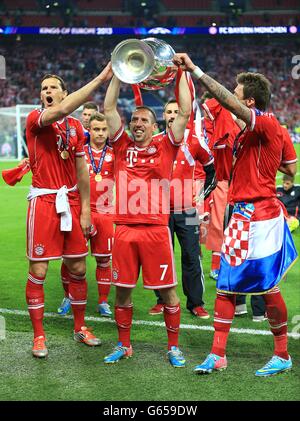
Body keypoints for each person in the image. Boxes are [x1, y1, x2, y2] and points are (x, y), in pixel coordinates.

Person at [173, 53, 298, 376]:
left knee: (268, 288)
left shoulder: (267, 123)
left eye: (236, 92)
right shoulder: (243, 136)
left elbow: (227, 101)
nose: (229, 95)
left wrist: (198, 71)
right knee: (227, 286)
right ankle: (218, 354)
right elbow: (285, 165)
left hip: (262, 217)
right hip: (241, 216)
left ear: (249, 101)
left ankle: (282, 354)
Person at [102, 69, 192, 367]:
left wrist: (181, 72)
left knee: (168, 292)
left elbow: (186, 111)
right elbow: (109, 108)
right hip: (125, 230)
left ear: (155, 126)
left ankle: (173, 348)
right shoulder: (121, 145)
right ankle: (124, 345)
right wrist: (117, 71)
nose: (138, 123)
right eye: (135, 120)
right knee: (122, 292)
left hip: (155, 230)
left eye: (144, 120)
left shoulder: (167, 145)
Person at [25, 64, 113, 358]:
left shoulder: (76, 128)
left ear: (64, 92)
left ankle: (80, 327)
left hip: (72, 202)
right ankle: (39, 336)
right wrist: (101, 78)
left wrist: (86, 210)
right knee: (38, 270)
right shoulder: (36, 118)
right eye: (44, 88)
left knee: (77, 268)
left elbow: (82, 170)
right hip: (44, 201)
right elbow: (60, 112)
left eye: (53, 88)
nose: (47, 91)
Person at [148, 99, 216, 319]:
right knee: (160, 256)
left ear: (183, 116)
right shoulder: (154, 141)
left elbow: (212, 170)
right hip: (160, 212)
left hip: (187, 211)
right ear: (163, 115)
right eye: (168, 111)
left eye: (177, 111)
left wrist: (201, 196)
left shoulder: (194, 141)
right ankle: (162, 300)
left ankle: (195, 303)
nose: (172, 115)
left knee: (191, 255)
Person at [57, 112, 115, 318]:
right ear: (88, 130)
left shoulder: (115, 154)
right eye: (96, 129)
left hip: (105, 213)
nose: (100, 133)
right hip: (79, 211)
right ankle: (67, 297)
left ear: (109, 131)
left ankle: (103, 301)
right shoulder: (78, 152)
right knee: (70, 260)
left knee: (104, 260)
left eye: (103, 129)